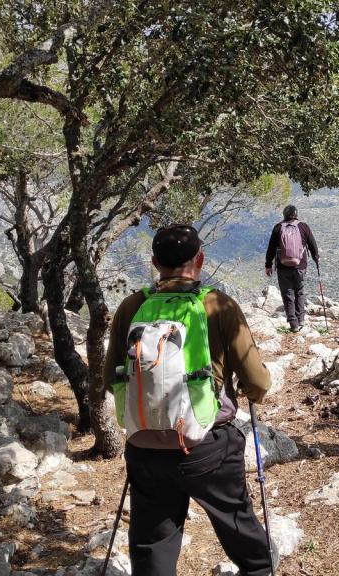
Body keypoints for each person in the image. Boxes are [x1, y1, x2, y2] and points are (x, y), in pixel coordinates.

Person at [103, 224, 274, 576]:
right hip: (207, 444)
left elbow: (111, 378)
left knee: (153, 542)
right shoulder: (218, 305)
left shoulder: (132, 306)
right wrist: (248, 392)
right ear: (200, 259)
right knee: (237, 525)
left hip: (145, 445)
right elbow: (258, 380)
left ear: (154, 262)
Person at [264, 205, 320, 332]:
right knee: (299, 291)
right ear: (296, 214)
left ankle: (293, 324)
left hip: (283, 267)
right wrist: (316, 259)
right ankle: (301, 320)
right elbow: (312, 244)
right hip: (300, 266)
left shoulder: (278, 227)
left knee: (287, 294)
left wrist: (268, 265)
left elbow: (271, 248)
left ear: (284, 214)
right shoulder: (303, 226)